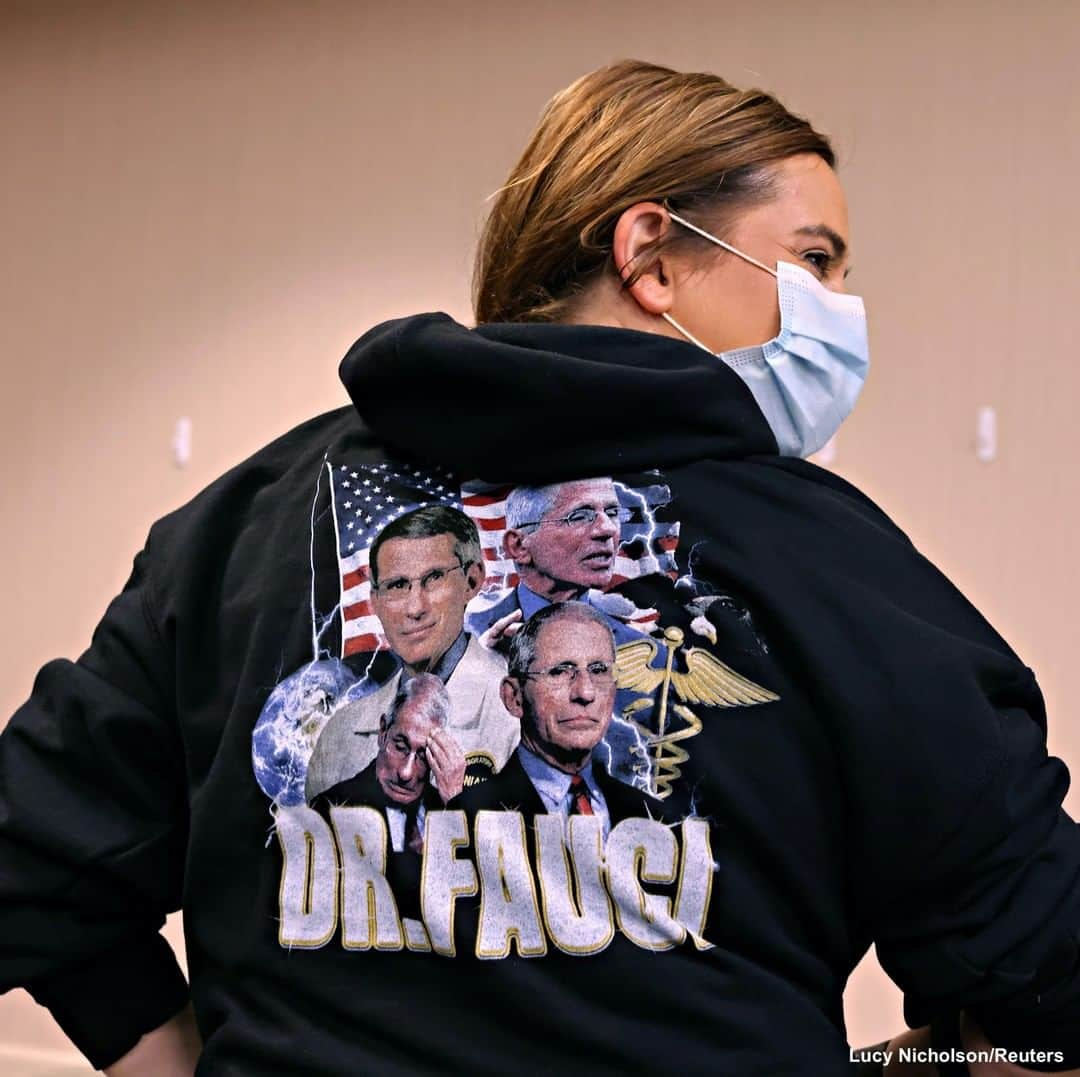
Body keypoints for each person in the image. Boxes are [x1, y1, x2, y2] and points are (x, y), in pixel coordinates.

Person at [1, 59, 1077, 1077]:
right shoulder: (834, 561)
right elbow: (1045, 987)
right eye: (814, 260)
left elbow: (35, 871)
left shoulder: (243, 524)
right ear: (652, 255)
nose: (840, 309)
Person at [305, 504, 520, 799]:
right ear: (376, 602)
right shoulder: (339, 735)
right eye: (397, 585)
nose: (415, 608)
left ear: (472, 581)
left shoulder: (523, 718)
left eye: (434, 578)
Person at [452, 601, 663, 831]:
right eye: (560, 671)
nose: (585, 692)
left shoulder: (651, 818)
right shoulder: (465, 819)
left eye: (599, 670)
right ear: (514, 696)